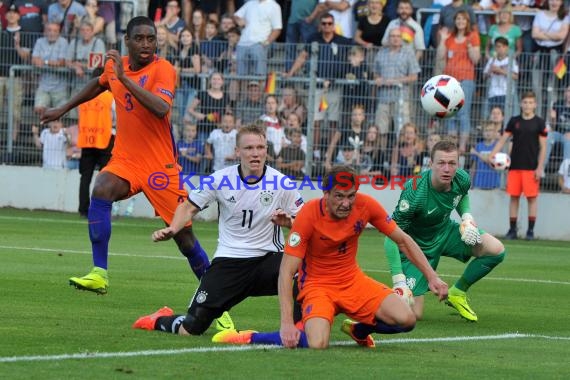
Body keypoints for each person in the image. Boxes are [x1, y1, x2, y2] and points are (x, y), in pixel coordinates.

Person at [39, 17, 217, 308]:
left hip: (161, 167)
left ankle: (215, 298)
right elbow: (98, 85)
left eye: (151, 38)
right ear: (127, 40)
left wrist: (123, 79)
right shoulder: (115, 66)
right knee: (102, 189)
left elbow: (161, 109)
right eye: (140, 38)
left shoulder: (164, 69)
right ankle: (99, 272)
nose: (146, 44)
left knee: (184, 238)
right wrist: (63, 108)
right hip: (126, 160)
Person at [209, 165, 448, 349]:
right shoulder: (308, 215)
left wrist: (432, 277)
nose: (346, 203)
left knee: (407, 319)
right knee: (317, 344)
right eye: (339, 196)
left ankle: (359, 331)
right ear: (326, 193)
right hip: (317, 287)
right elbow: (286, 272)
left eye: (351, 196)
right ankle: (250, 337)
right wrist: (286, 323)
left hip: (353, 281)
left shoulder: (366, 206)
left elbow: (403, 240)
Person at [132, 124, 305, 337]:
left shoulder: (281, 183)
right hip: (230, 261)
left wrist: (289, 223)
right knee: (192, 328)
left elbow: (304, 222)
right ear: (237, 151)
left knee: (307, 272)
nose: (255, 153)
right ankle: (158, 320)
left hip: (269, 260)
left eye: (260, 147)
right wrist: (173, 228)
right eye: (249, 148)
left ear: (266, 151)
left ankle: (300, 330)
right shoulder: (220, 179)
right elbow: (188, 207)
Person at [385, 139, 506, 322]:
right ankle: (372, 300)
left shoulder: (462, 178)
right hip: (415, 246)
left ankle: (457, 292)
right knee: (411, 314)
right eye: (441, 163)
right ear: (431, 163)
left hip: (445, 232)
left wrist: (466, 217)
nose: (447, 169)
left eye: (452, 163)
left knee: (496, 250)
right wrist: (398, 279)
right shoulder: (414, 191)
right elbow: (391, 236)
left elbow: (461, 195)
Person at [489, 91, 547, 240]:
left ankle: (530, 231)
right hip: (514, 166)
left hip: (531, 167)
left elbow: (543, 147)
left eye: (530, 102)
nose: (527, 105)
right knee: (514, 198)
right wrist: (492, 154)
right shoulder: (514, 121)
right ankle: (512, 230)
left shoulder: (539, 123)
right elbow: (503, 140)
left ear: (535, 104)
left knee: (531, 199)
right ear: (521, 104)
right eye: (525, 102)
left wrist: (540, 167)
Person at [437, 10, 481, 153]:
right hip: (450, 80)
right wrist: (443, 39)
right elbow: (440, 56)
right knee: (450, 112)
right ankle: (452, 145)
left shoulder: (473, 36)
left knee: (463, 112)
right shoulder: (450, 37)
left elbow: (476, 59)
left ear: (467, 22)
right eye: (458, 19)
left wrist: (469, 47)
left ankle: (462, 146)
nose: (460, 22)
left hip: (466, 78)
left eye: (463, 19)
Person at [373, 27, 420, 150]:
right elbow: (375, 73)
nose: (395, 39)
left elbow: (414, 76)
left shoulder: (408, 53)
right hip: (383, 97)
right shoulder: (381, 53)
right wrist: (378, 79)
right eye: (392, 36)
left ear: (401, 39)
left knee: (402, 130)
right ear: (388, 38)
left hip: (401, 97)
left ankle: (400, 157)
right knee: (381, 129)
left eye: (398, 36)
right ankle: (382, 157)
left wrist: (394, 81)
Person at [76, 67, 114, 217]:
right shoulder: (110, 97)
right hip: (105, 140)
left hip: (86, 140)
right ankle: (99, 210)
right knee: (104, 179)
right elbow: (116, 119)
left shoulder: (84, 96)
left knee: (85, 177)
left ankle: (83, 210)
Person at [31, 22, 69, 117]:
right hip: (44, 85)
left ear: (59, 32)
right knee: (38, 110)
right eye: (49, 30)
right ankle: (42, 131)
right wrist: (42, 62)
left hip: (60, 87)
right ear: (45, 31)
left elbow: (61, 62)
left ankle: (56, 131)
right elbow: (34, 59)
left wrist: (45, 62)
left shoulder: (63, 42)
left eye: (55, 31)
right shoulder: (40, 41)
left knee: (60, 114)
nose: (52, 33)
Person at [483, 36, 519, 115]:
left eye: (502, 46)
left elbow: (516, 76)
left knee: (506, 116)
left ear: (506, 47)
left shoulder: (511, 60)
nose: (500, 49)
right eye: (497, 47)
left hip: (506, 93)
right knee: (494, 117)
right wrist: (490, 70)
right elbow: (484, 77)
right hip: (493, 93)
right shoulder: (491, 60)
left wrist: (501, 71)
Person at [470, 123, 501, 190]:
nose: (488, 133)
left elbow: (495, 164)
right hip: (479, 183)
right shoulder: (478, 146)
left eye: (490, 130)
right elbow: (474, 166)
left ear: (495, 132)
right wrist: (471, 183)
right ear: (483, 132)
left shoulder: (498, 146)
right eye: (486, 130)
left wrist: (477, 153)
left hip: (494, 184)